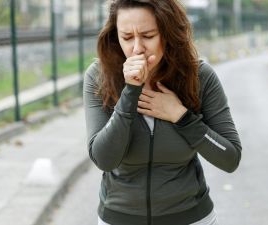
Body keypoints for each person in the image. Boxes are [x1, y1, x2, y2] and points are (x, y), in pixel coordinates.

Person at [83, 0, 242, 224]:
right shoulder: (100, 77)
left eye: (148, 36)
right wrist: (130, 92)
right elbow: (104, 158)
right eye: (127, 37)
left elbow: (230, 158)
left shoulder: (199, 77)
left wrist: (182, 117)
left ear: (168, 33)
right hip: (118, 218)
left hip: (191, 218)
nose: (137, 48)